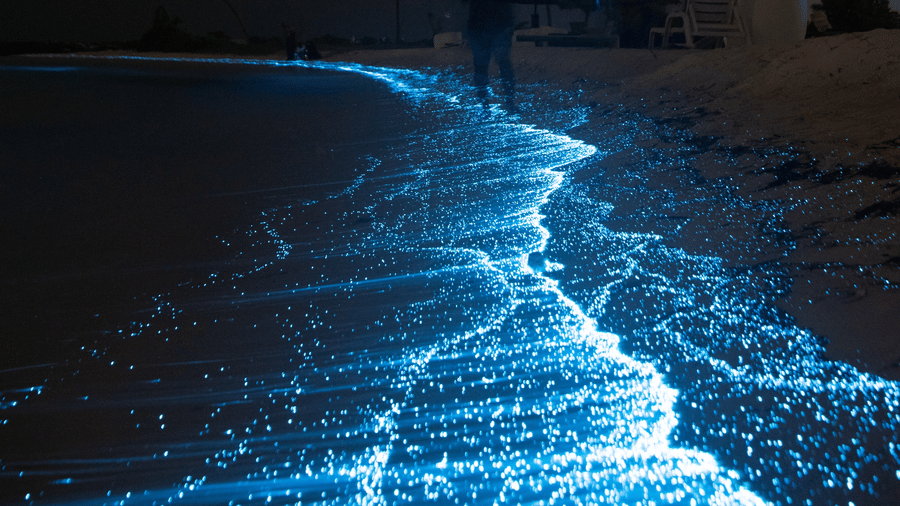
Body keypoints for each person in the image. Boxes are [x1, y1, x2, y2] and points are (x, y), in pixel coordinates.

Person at [466, 0, 516, 111]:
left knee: (482, 68)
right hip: (496, 25)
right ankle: (508, 103)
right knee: (503, 65)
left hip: (481, 26)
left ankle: (486, 105)